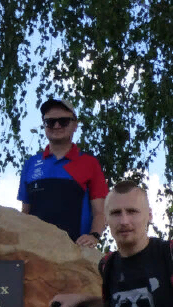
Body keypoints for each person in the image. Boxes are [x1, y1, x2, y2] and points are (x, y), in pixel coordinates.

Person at [18, 98, 109, 248]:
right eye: (50, 122)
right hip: (35, 250)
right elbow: (25, 213)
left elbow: (100, 212)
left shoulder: (89, 163)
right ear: (44, 125)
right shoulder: (31, 164)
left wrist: (94, 236)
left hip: (75, 253)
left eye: (63, 121)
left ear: (75, 125)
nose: (57, 125)